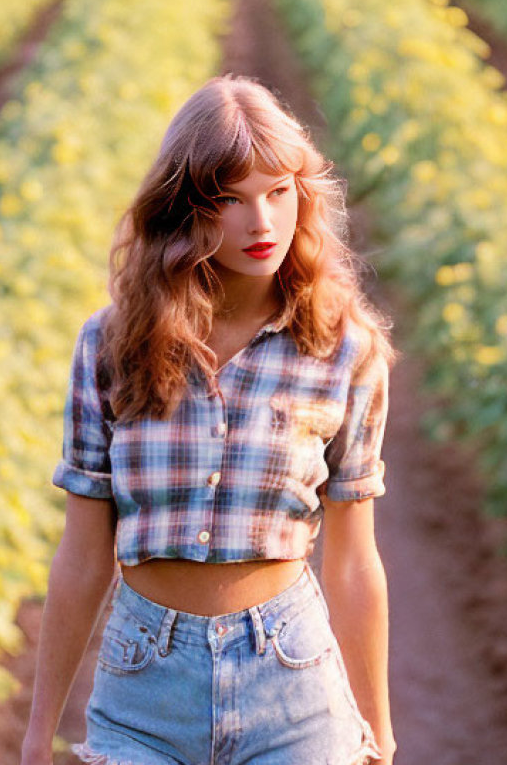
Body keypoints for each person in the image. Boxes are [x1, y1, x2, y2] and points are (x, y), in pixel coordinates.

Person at [21, 74, 397, 765]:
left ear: (302, 197)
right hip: (143, 691)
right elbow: (81, 555)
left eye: (279, 193)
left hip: (291, 685)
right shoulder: (110, 346)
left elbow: (352, 561)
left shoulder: (347, 349)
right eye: (231, 199)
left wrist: (381, 731)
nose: (262, 224)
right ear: (186, 207)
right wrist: (36, 731)